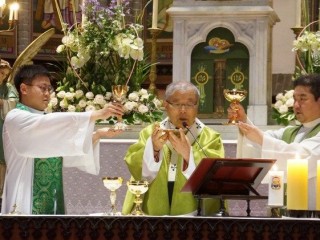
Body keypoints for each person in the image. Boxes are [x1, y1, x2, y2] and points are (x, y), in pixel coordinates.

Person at [2, 64, 124, 215]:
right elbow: (45, 125)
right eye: (42, 88)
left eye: (49, 89)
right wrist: (95, 114)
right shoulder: (15, 117)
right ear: (24, 89)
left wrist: (98, 134)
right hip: (23, 198)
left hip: (52, 199)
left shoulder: (47, 122)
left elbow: (65, 151)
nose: (47, 94)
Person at [122, 81, 224, 216]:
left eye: (189, 104)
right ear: (166, 105)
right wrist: (154, 150)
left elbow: (216, 175)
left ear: (197, 106)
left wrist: (189, 155)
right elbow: (134, 164)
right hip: (154, 203)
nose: (183, 110)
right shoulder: (151, 133)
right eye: (176, 104)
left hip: (194, 208)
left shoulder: (210, 137)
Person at [229, 74, 320, 210]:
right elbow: (259, 145)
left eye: (303, 99)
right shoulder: (289, 132)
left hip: (312, 212)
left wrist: (261, 138)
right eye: (294, 99)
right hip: (284, 210)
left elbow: (305, 157)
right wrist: (243, 121)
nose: (296, 105)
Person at [0, 60, 18, 204]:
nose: (2, 76)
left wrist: (2, 103)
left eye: (5, 74)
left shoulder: (8, 87)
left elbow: (14, 102)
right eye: (1, 72)